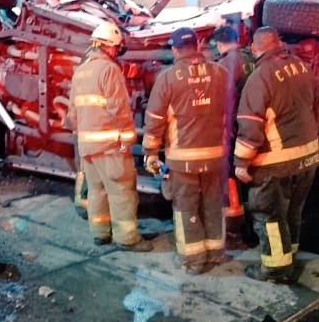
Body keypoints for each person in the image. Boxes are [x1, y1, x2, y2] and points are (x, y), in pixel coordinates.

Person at [233, 27, 319, 284]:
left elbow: (250, 126)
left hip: (275, 162)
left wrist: (241, 163)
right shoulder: (301, 66)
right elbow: (314, 104)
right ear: (278, 44)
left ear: (255, 48)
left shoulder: (260, 77)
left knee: (269, 215)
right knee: (292, 211)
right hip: (307, 156)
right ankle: (289, 255)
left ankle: (275, 269)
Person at [142, 27, 229, 275]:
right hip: (216, 156)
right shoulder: (221, 73)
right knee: (213, 204)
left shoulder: (167, 78)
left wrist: (151, 153)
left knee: (186, 208)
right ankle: (216, 253)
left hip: (183, 160)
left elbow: (155, 120)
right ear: (198, 46)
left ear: (175, 50)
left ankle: (194, 261)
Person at [67, 20, 152, 252]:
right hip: (109, 146)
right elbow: (119, 108)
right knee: (121, 191)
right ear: (109, 46)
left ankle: (100, 234)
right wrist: (127, 139)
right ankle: (126, 239)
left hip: (87, 148)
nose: (117, 52)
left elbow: (72, 113)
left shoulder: (80, 71)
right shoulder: (109, 70)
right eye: (116, 48)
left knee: (97, 190)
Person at [213, 24, 254, 233]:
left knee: (231, 171)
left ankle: (234, 222)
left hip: (236, 126)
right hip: (254, 125)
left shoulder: (226, 64)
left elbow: (222, 98)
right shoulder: (250, 59)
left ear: (219, 44)